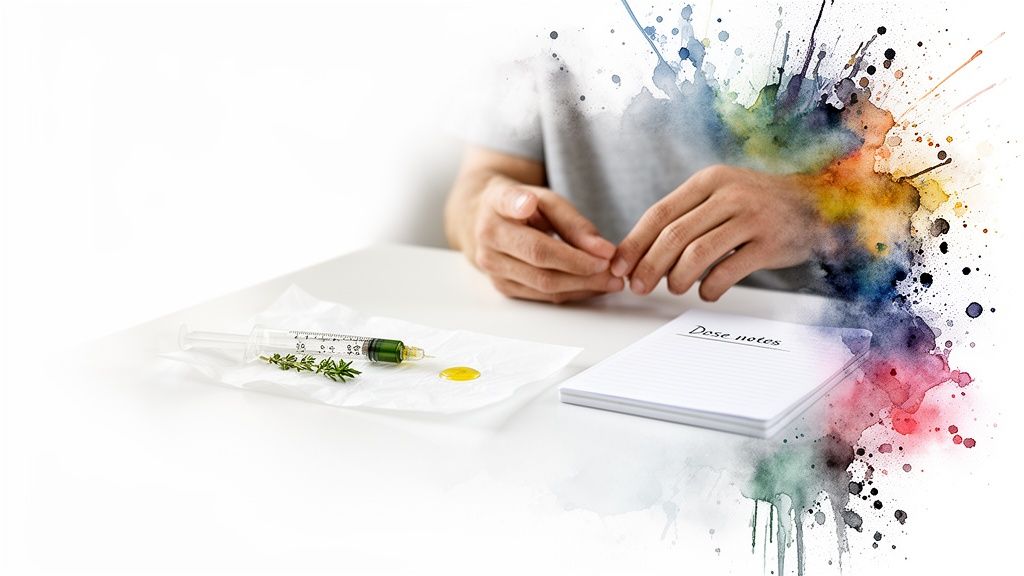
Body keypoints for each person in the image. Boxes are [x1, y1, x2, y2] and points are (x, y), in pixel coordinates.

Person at [444, 19, 830, 304]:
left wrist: (826, 208)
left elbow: (892, 195)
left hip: (826, 334)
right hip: (596, 322)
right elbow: (483, 182)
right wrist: (488, 223)